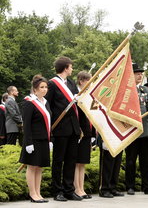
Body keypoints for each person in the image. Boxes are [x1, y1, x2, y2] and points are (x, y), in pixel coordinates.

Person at [45, 56, 82, 201]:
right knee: (58, 160)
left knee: (71, 160)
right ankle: (57, 190)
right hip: (60, 128)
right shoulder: (52, 84)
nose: (72, 69)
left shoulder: (71, 83)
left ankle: (69, 189)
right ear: (66, 68)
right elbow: (47, 105)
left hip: (73, 128)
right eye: (71, 67)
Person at [125, 63, 148, 195]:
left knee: (146, 161)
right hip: (132, 130)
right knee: (131, 161)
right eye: (137, 73)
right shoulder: (127, 90)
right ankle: (130, 186)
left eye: (141, 73)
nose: (140, 75)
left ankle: (147, 186)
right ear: (131, 74)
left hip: (146, 130)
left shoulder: (145, 91)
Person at [19, 75, 52, 203]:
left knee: (40, 167)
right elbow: (26, 124)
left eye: (46, 87)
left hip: (44, 139)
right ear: (35, 89)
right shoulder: (29, 102)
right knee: (32, 167)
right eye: (41, 87)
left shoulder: (45, 102)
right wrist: (27, 142)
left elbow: (49, 122)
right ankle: (32, 194)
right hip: (33, 140)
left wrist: (50, 140)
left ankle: (38, 193)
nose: (44, 89)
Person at [73, 71, 97, 199]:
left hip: (87, 132)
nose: (90, 84)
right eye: (89, 81)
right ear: (81, 81)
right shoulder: (75, 95)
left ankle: (81, 188)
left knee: (83, 162)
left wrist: (93, 134)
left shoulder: (88, 96)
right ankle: (77, 188)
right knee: (77, 163)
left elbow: (91, 116)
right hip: (80, 133)